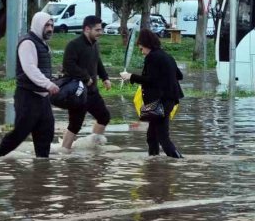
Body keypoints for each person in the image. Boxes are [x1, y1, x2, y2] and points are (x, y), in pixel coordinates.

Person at [0, 12, 60, 158]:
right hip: (27, 96)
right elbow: (30, 69)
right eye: (47, 25)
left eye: (52, 25)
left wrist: (54, 79)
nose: (50, 28)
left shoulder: (43, 44)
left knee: (46, 131)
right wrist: (48, 84)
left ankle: (42, 165)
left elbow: (42, 69)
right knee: (19, 133)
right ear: (38, 25)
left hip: (42, 98)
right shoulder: (28, 43)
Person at [120, 28, 184, 158]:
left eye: (141, 49)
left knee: (162, 136)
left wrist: (130, 76)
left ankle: (179, 161)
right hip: (169, 100)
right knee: (152, 136)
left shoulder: (152, 57)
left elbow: (150, 79)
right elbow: (179, 75)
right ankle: (153, 163)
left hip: (160, 102)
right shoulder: (167, 56)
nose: (142, 52)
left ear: (147, 45)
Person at [58, 15, 112, 152]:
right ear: (87, 29)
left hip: (92, 91)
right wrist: (85, 77)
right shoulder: (74, 45)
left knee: (104, 117)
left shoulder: (94, 44)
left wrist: (105, 77)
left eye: (101, 29)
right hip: (78, 92)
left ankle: (92, 145)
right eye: (98, 30)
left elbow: (97, 62)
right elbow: (68, 65)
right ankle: (64, 152)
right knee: (75, 125)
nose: (101, 33)